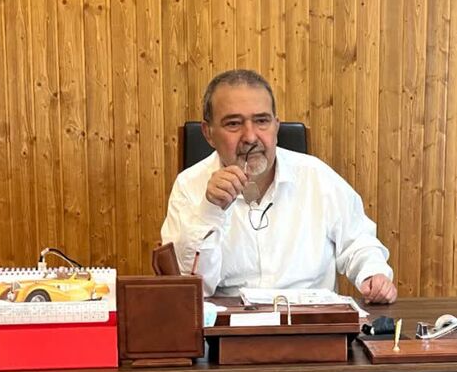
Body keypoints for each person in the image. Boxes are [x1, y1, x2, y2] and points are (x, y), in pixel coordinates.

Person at [161, 69, 397, 304]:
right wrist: (210, 210)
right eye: (233, 123)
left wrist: (373, 273)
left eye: (262, 121)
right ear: (208, 133)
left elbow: (359, 242)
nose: (250, 137)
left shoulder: (316, 176)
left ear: (276, 126)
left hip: (311, 319)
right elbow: (189, 289)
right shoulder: (189, 186)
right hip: (230, 323)